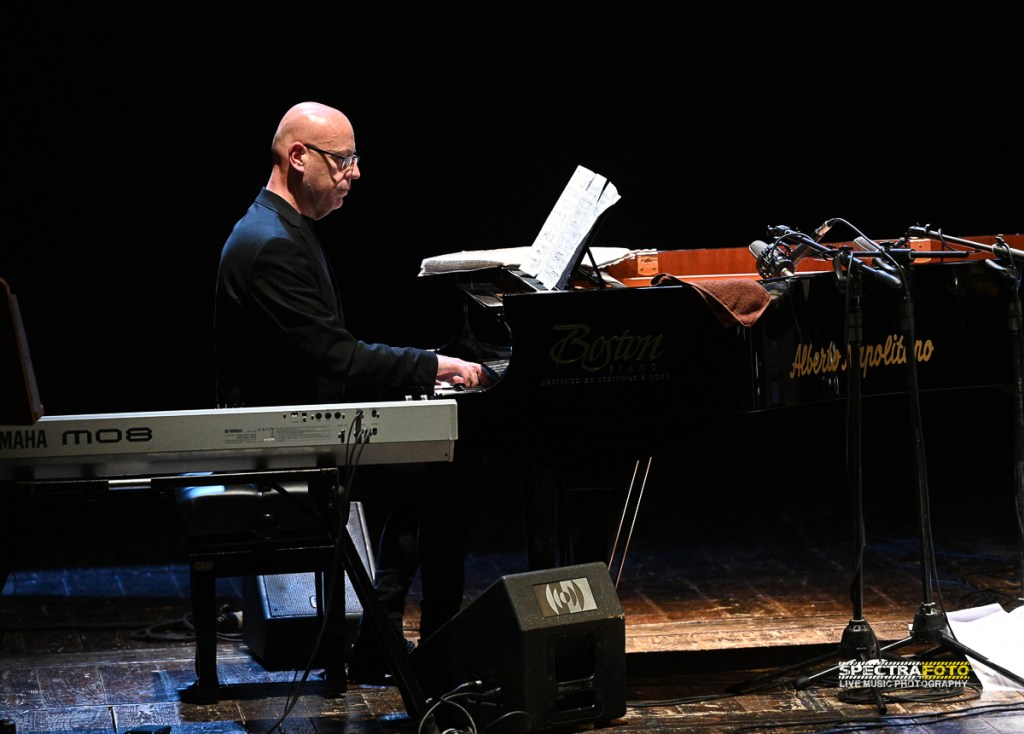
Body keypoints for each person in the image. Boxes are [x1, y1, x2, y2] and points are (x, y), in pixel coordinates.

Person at [214, 101, 490, 684]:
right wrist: (433, 366)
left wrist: (416, 374)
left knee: (436, 463)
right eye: (342, 159)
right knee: (449, 473)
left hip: (302, 425)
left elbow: (328, 353)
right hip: (281, 445)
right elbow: (338, 356)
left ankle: (381, 638)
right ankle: (435, 649)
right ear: (298, 157)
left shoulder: (284, 228)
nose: (355, 172)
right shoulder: (270, 244)